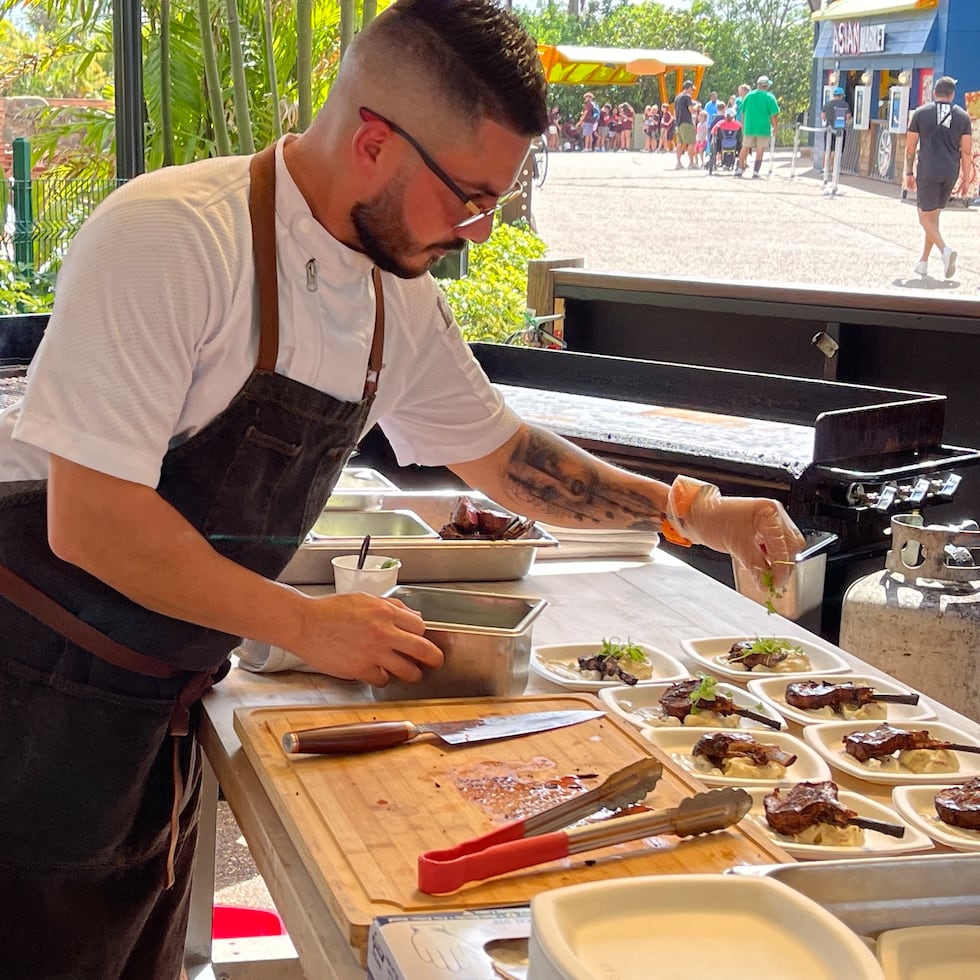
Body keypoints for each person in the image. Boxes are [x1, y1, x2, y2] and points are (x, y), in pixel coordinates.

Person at [0, 1, 804, 976]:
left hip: (156, 695)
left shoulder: (392, 292)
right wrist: (303, 622)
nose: (476, 230)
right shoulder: (173, 238)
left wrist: (693, 510)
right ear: (374, 140)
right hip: (32, 690)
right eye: (468, 196)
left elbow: (504, 454)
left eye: (495, 203)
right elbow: (95, 520)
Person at [904, 75, 973, 280]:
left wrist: (908, 172)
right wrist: (966, 179)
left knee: (923, 217)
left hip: (928, 170)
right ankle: (923, 263)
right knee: (933, 218)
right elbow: (967, 152)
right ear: (952, 94)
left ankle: (945, 251)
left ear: (934, 93)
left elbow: (910, 147)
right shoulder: (963, 116)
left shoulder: (920, 113)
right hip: (950, 171)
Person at [736, 75, 779, 178]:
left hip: (749, 126)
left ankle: (739, 169)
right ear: (766, 86)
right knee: (760, 149)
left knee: (745, 147)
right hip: (763, 128)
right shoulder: (770, 97)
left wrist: (743, 124)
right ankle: (756, 172)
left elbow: (743, 112)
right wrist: (775, 128)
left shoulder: (749, 96)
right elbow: (774, 115)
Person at [820, 85, 851, 181]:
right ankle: (834, 169)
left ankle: (825, 168)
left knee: (827, 149)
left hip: (828, 129)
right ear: (841, 95)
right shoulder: (845, 105)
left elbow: (823, 116)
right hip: (839, 130)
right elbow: (848, 117)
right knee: (836, 150)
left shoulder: (827, 104)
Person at [674, 78, 696, 169]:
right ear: (689, 88)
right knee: (691, 143)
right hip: (686, 123)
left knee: (679, 144)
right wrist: (696, 108)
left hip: (678, 123)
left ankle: (678, 163)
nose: (692, 91)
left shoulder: (677, 97)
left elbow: (675, 112)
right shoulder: (687, 97)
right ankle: (691, 163)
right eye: (692, 89)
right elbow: (691, 110)